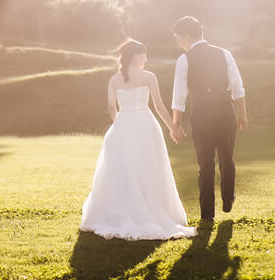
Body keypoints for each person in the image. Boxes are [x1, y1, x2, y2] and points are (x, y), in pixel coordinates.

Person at [80, 39, 197, 240]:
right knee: (149, 167)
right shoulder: (148, 77)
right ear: (135, 56)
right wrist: (173, 128)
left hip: (123, 123)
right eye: (143, 54)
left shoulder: (114, 80)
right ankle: (151, 209)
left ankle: (122, 210)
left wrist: (119, 125)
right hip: (145, 124)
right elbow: (158, 106)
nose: (145, 58)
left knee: (124, 170)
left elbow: (110, 107)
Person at [171, 16, 248, 222]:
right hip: (225, 112)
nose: (178, 41)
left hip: (202, 115)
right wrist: (242, 114)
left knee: (205, 164)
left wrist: (175, 124)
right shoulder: (224, 53)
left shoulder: (184, 60)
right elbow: (237, 86)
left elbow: (179, 96)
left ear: (187, 35)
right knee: (227, 158)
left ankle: (207, 214)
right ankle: (228, 198)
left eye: (178, 37)